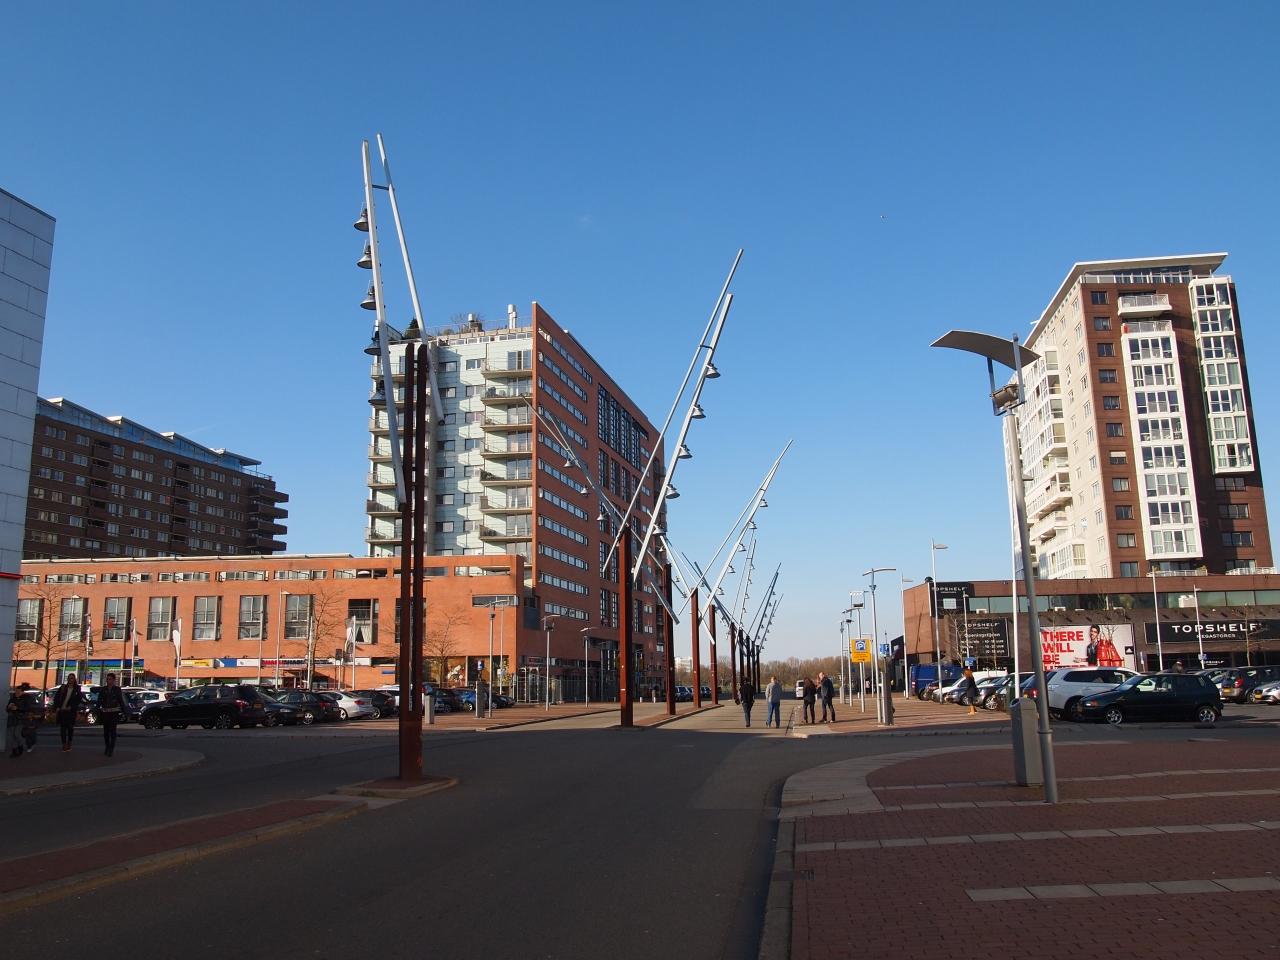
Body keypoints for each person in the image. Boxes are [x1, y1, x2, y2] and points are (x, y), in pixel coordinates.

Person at [96, 673, 128, 757]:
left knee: (113, 731)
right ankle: (107, 746)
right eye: (107, 679)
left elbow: (120, 700)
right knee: (106, 731)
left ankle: (111, 748)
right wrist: (97, 709)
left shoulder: (117, 689)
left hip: (114, 713)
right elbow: (99, 700)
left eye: (110, 679)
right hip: (105, 712)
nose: (108, 681)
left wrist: (124, 711)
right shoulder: (103, 689)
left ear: (113, 680)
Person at [52, 673, 82, 751]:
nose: (70, 680)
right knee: (63, 728)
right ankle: (64, 744)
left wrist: (72, 707)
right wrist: (57, 707)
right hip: (62, 711)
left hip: (70, 712)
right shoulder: (63, 688)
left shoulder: (77, 689)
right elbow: (56, 698)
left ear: (74, 679)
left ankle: (69, 742)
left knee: (70, 728)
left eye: (72, 678)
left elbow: (78, 700)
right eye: (69, 678)